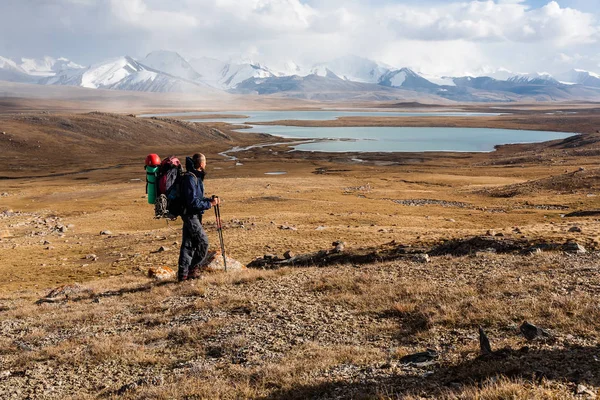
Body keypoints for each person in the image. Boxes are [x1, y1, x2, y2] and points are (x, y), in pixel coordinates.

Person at [178, 153, 220, 281]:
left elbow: (197, 199)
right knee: (203, 242)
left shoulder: (194, 177)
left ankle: (183, 274)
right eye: (205, 162)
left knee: (188, 244)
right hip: (191, 216)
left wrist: (208, 200)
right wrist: (209, 204)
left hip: (191, 215)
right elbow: (192, 203)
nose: (206, 164)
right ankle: (192, 269)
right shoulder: (191, 178)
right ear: (201, 164)